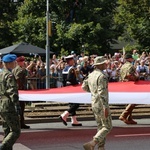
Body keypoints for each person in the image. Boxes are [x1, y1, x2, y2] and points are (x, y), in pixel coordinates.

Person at [82, 56, 112, 150]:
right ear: (100, 65)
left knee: (100, 126)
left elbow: (84, 87)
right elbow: (102, 93)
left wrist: (93, 92)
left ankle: (101, 147)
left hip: (94, 102)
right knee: (107, 126)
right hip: (101, 104)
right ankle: (93, 142)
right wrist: (105, 107)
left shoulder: (91, 75)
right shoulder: (102, 76)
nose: (105, 64)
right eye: (104, 63)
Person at [0, 54, 21, 150]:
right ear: (8, 63)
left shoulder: (0, 74)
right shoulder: (9, 75)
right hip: (9, 104)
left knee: (7, 130)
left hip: (1, 104)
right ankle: (3, 147)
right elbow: (13, 91)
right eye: (13, 62)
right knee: (15, 131)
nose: (15, 64)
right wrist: (17, 105)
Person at [59, 55, 82, 126]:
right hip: (72, 88)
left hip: (67, 88)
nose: (74, 61)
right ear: (70, 61)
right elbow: (70, 79)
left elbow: (63, 80)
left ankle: (74, 120)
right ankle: (65, 115)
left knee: (72, 104)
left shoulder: (65, 68)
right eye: (73, 60)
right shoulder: (71, 69)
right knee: (77, 103)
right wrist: (77, 83)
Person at [119, 53, 139, 124]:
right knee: (134, 101)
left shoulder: (122, 66)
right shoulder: (131, 66)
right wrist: (137, 77)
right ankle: (124, 115)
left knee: (129, 101)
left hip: (124, 84)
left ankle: (129, 118)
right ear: (129, 59)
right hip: (131, 84)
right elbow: (130, 75)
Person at [12, 56, 30, 129]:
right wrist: (20, 88)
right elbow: (18, 79)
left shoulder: (15, 69)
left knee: (20, 108)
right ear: (19, 62)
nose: (24, 62)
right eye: (22, 61)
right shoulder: (20, 69)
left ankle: (21, 123)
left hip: (18, 90)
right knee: (20, 107)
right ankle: (20, 123)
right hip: (20, 90)